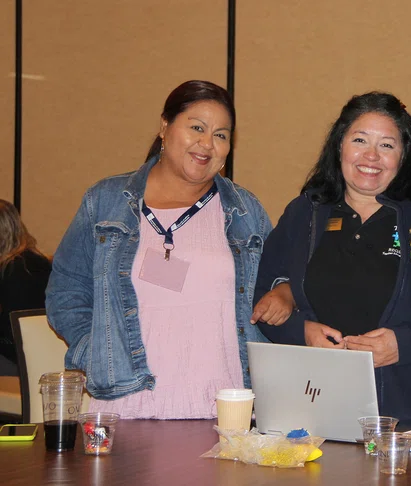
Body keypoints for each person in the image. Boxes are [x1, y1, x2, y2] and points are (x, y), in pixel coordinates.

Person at [46, 80, 285, 419]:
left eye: (221, 134)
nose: (207, 144)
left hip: (225, 409)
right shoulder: (105, 202)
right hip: (127, 402)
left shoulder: (245, 211)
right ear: (164, 127)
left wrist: (283, 291)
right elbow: (66, 293)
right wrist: (99, 352)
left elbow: (277, 283)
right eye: (197, 128)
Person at [252, 92, 411, 425]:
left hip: (407, 414)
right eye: (359, 140)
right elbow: (265, 304)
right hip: (312, 407)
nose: (372, 156)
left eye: (387, 145)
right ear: (340, 145)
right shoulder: (305, 212)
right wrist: (304, 333)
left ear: (404, 153)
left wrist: (403, 346)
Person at [0, 200, 52, 376]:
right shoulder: (38, 262)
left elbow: (11, 336)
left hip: (19, 362)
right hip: (45, 357)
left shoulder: (11, 271)